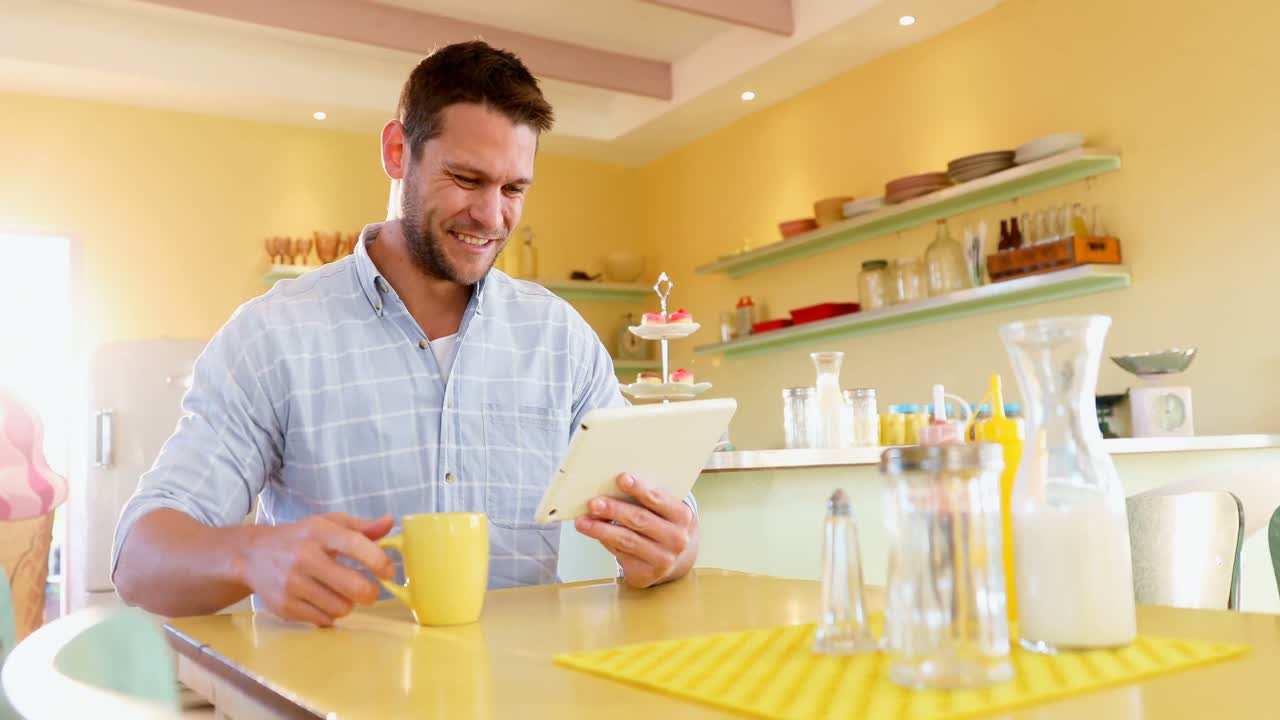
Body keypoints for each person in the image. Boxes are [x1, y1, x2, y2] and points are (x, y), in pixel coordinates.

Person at [111, 41, 699, 627]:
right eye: (467, 179)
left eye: (514, 189)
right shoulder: (273, 338)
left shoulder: (560, 340)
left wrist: (670, 552)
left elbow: (665, 520)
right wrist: (251, 554)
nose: (493, 216)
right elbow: (139, 562)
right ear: (398, 151)